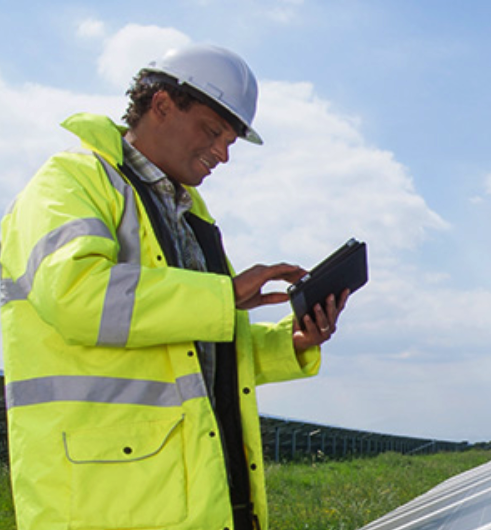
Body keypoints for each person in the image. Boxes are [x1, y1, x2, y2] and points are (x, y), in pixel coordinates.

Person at [0, 44, 348, 530]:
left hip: (199, 500)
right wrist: (224, 296)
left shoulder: (192, 221)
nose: (224, 154)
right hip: (104, 507)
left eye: (230, 140)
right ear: (162, 105)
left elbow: (193, 348)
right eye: (212, 131)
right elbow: (76, 297)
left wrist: (291, 343)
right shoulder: (68, 182)